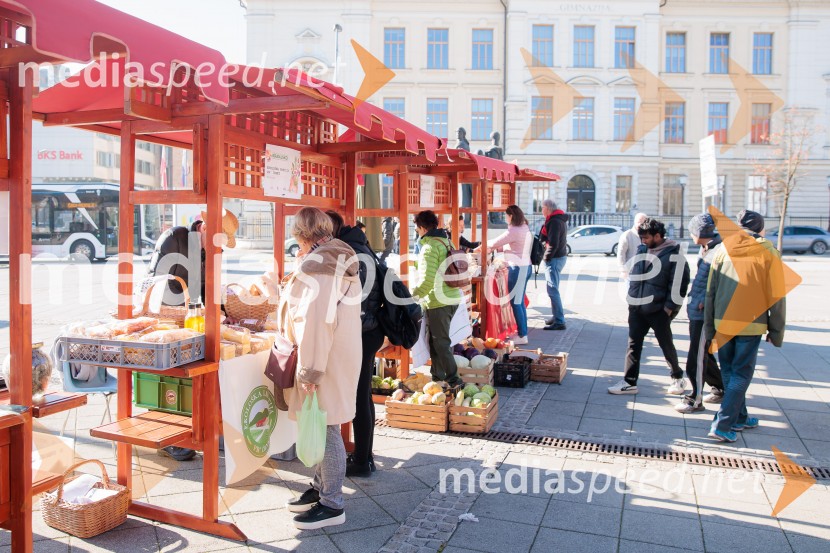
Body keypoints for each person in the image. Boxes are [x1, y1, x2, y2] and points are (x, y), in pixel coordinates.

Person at [281, 207, 362, 529]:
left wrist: (311, 371)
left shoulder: (320, 266)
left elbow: (316, 322)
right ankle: (320, 487)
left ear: (301, 234)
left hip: (324, 357)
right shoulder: (333, 256)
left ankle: (332, 504)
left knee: (325, 427)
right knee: (321, 423)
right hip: (335, 353)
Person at [146, 209, 238, 462]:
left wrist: (222, 312)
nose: (219, 248)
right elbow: (157, 280)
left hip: (192, 319)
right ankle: (169, 436)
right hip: (167, 318)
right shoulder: (173, 238)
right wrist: (185, 306)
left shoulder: (211, 249)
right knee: (169, 376)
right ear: (204, 228)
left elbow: (210, 285)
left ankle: (192, 430)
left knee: (194, 375)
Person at [705, 210, 786, 443]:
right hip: (751, 324)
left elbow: (711, 292)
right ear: (760, 229)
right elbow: (777, 298)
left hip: (723, 322)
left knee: (729, 370)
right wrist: (776, 331)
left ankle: (739, 417)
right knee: (741, 373)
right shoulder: (768, 252)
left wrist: (709, 329)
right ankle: (722, 424)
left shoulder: (722, 250)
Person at [325, 211, 383, 478]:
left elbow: (352, 300)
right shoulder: (360, 246)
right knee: (363, 394)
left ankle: (362, 460)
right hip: (370, 329)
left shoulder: (351, 253)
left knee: (359, 396)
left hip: (362, 331)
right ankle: (365, 455)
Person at [608, 217, 690, 395]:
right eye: (641, 238)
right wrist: (632, 299)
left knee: (665, 344)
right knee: (633, 344)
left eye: (646, 237)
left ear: (658, 236)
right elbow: (635, 274)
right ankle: (629, 382)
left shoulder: (674, 253)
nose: (643, 241)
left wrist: (669, 308)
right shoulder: (642, 249)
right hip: (637, 307)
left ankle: (677, 378)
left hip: (659, 310)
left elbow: (679, 284)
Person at [675, 214, 725, 413]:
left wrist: (707, 302)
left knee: (696, 357)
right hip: (696, 309)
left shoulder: (718, 251)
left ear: (698, 233)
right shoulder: (706, 248)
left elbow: (722, 283)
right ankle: (721, 388)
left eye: (691, 231)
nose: (690, 235)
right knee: (704, 354)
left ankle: (695, 399)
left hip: (704, 313)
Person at [411, 210, 463, 386]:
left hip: (439, 301)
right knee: (436, 341)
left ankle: (454, 380)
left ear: (422, 228)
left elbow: (427, 281)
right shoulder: (446, 241)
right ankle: (437, 378)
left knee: (441, 343)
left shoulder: (429, 248)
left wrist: (411, 297)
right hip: (452, 297)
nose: (417, 232)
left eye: (417, 228)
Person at [479, 205, 532, 345]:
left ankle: (523, 335)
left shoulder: (514, 230)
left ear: (511, 216)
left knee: (516, 303)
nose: (505, 218)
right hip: (526, 267)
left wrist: (482, 245)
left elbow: (496, 242)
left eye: (506, 216)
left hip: (517, 268)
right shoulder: (524, 227)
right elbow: (511, 244)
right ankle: (523, 331)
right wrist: (495, 248)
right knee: (519, 302)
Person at [540, 199, 569, 330]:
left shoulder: (554, 221)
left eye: (542, 207)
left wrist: (546, 257)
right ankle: (556, 316)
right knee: (553, 289)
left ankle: (559, 321)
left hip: (555, 259)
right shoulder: (557, 220)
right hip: (558, 257)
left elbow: (553, 243)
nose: (541, 210)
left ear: (548, 208)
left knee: (552, 290)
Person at [618, 213, 648, 279]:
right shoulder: (627, 235)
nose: (640, 224)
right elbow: (621, 253)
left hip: (646, 272)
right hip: (631, 272)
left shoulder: (649, 235)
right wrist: (623, 270)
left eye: (642, 222)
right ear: (634, 222)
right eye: (638, 222)